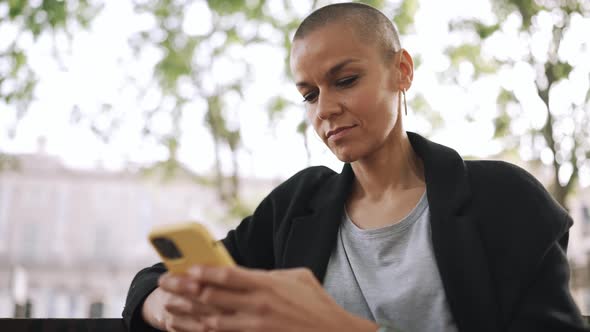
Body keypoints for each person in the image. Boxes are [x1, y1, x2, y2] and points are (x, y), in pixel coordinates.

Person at [122, 3, 589, 332]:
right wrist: (166, 307)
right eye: (309, 94)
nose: (324, 109)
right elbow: (152, 281)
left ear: (401, 70)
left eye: (344, 80)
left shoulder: (505, 199)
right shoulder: (297, 205)